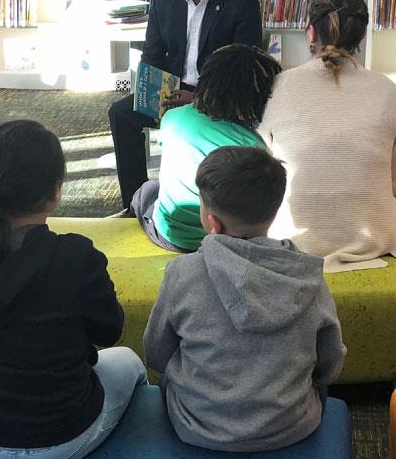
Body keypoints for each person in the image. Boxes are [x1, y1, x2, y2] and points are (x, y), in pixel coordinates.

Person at [0, 120, 145, 459]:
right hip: (66, 434)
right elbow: (110, 332)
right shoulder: (76, 256)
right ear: (56, 190)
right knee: (131, 361)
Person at [144, 146, 345, 451]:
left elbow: (156, 352)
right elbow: (330, 362)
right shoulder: (308, 275)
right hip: (290, 427)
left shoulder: (181, 273)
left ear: (213, 221)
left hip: (196, 426)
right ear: (275, 211)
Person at [258, 0, 396, 272]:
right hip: (375, 248)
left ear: (311, 32)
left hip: (292, 246)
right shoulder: (389, 91)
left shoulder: (278, 87)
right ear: (364, 34)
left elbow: (265, 169)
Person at [107, 0, 263, 214]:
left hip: (217, 97)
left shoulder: (242, 1)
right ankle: (134, 203)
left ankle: (209, 208)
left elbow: (242, 69)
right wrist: (153, 92)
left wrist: (197, 98)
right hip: (170, 92)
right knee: (121, 114)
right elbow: (152, 54)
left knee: (189, 125)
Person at [128, 44, 282, 251]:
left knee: (147, 190)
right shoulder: (256, 147)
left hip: (171, 238)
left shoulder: (174, 118)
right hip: (229, 242)